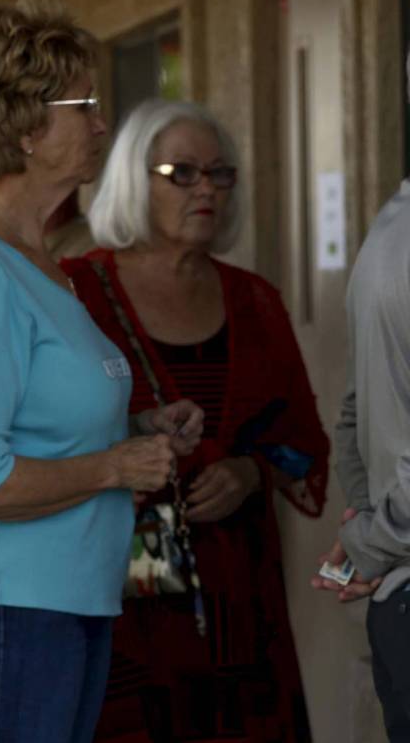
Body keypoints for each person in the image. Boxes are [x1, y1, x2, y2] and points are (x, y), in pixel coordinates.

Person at [0, 0, 203, 743]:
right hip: (4, 598)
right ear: (25, 126)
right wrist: (117, 465)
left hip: (52, 594)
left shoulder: (30, 256)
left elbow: (31, 416)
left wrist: (134, 428)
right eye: (84, 104)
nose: (102, 123)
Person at [61, 99, 327, 742]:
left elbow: (301, 442)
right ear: (133, 178)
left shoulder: (253, 299)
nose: (205, 187)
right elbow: (45, 433)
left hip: (240, 599)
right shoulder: (77, 292)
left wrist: (248, 470)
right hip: (122, 597)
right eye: (181, 172)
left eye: (219, 173)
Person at [311, 167, 410, 741]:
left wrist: (370, 533)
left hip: (396, 608)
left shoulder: (387, 231)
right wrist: (370, 541)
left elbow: (352, 419)